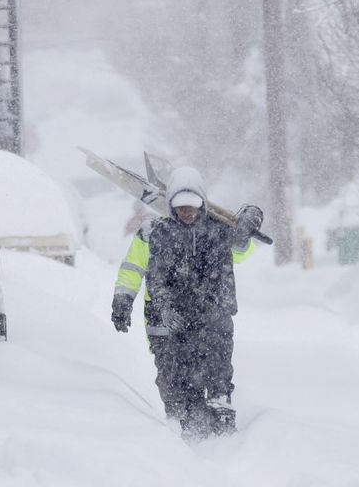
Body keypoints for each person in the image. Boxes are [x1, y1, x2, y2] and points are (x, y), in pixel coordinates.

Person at [110, 167, 264, 437]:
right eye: (181, 208)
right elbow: (133, 268)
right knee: (175, 383)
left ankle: (220, 414)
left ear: (203, 204)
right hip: (163, 321)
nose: (187, 213)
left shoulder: (217, 232)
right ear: (170, 206)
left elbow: (241, 251)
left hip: (208, 317)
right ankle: (185, 433)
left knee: (214, 363)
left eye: (192, 207)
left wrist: (247, 227)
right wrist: (123, 299)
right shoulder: (153, 233)